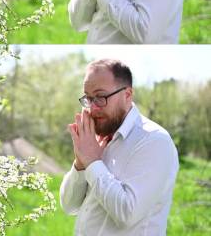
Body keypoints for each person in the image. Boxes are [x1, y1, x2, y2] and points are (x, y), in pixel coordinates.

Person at [60, 59, 178, 235]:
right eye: (88, 98)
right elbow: (69, 206)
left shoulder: (154, 140)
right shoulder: (99, 139)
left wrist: (92, 161)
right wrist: (81, 163)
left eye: (100, 97)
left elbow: (127, 214)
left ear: (127, 95)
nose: (92, 108)